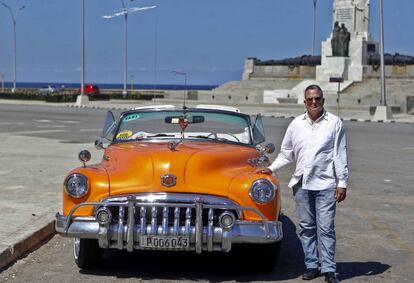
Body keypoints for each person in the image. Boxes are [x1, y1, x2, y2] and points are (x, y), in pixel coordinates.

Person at [257, 84, 348, 283]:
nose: (314, 102)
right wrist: (271, 169)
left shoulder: (334, 123)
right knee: (307, 228)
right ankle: (312, 265)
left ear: (323, 100)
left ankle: (329, 269)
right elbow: (286, 153)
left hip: (326, 185)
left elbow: (339, 154)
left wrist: (342, 182)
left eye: (318, 99)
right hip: (302, 185)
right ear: (304, 102)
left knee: (325, 229)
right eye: (310, 99)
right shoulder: (296, 124)